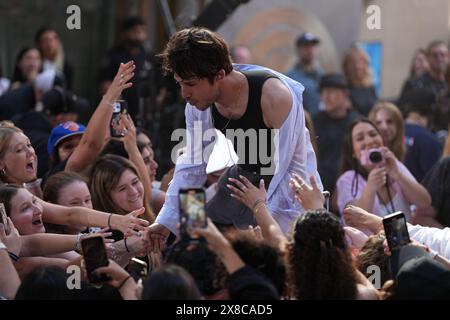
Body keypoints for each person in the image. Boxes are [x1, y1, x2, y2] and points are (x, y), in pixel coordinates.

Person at [148, 27, 322, 248]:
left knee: (272, 258)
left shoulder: (275, 96)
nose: (184, 94)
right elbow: (192, 166)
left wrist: (262, 218)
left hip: (291, 186)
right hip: (244, 178)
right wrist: (166, 222)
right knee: (195, 240)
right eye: (180, 83)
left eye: (190, 84)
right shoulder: (198, 104)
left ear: (220, 75)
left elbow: (287, 173)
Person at [336, 119, 431, 220]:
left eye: (373, 134)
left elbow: (425, 202)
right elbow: (354, 221)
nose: (369, 141)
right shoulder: (347, 180)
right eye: (360, 138)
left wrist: (398, 175)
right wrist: (370, 188)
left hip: (407, 235)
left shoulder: (395, 165)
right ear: (353, 152)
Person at [313, 73, 360, 194]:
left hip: (350, 190)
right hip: (319, 189)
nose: (325, 98)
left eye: (330, 92)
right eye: (323, 93)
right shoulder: (315, 122)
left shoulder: (357, 123)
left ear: (345, 93)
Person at [286, 32, 323, 116]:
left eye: (312, 46)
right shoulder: (291, 78)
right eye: (306, 46)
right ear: (298, 50)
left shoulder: (321, 75)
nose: (310, 50)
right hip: (303, 124)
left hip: (322, 124)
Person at [342, 46, 378, 116]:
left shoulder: (370, 86)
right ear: (346, 66)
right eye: (352, 62)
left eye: (361, 62)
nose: (357, 66)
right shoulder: (344, 88)